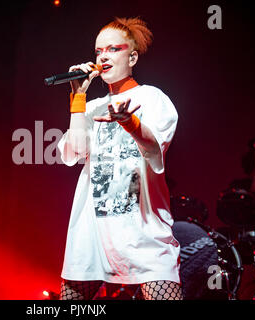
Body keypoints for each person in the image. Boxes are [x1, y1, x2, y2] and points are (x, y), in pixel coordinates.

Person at [57, 17, 182, 300]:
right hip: (91, 239)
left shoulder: (152, 98)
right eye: (99, 51)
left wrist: (130, 122)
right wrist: (77, 99)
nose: (103, 57)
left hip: (143, 238)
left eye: (113, 49)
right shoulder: (91, 107)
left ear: (133, 56)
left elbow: (153, 148)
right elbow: (73, 152)